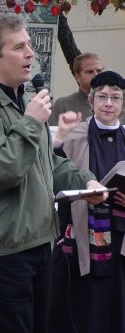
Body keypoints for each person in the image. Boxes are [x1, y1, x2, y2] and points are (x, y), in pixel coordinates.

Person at [0, 14, 108, 333]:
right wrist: (28, 123)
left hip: (39, 241)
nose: (30, 53)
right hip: (4, 252)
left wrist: (85, 181)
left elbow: (45, 161)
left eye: (29, 45)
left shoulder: (21, 100)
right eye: (19, 46)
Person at [47, 70, 125, 333]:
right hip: (81, 232)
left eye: (116, 98)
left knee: (115, 303)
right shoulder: (74, 135)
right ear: (91, 101)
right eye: (102, 97)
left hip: (120, 238)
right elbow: (53, 171)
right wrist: (58, 139)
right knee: (81, 307)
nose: (109, 104)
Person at [49, 52, 104, 125]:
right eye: (90, 72)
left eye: (99, 71)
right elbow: (53, 135)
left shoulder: (116, 104)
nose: (96, 75)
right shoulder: (63, 105)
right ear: (77, 77)